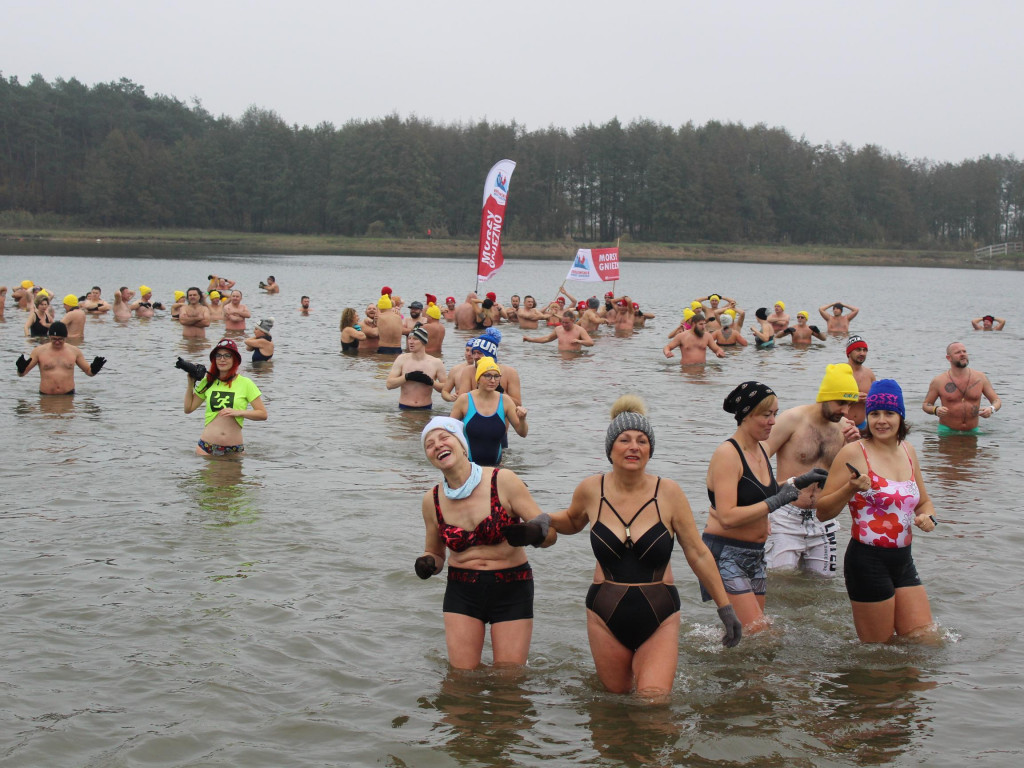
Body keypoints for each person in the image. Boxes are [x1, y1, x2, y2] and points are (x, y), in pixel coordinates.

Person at [548, 396, 742, 698]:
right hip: (604, 613)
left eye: (642, 440)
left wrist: (725, 607)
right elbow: (571, 521)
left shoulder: (669, 493)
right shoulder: (591, 489)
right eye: (624, 440)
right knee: (615, 705)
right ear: (610, 449)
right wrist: (541, 519)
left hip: (659, 612)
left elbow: (698, 552)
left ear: (650, 449)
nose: (634, 447)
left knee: (654, 702)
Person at [415, 416, 556, 670]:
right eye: (429, 444)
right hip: (462, 591)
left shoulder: (503, 480)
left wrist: (534, 534)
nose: (437, 445)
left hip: (512, 587)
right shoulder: (432, 500)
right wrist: (427, 563)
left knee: (509, 680)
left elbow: (551, 535)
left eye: (444, 437)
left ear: (460, 443)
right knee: (460, 679)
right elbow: (435, 554)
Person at [816, 380, 938, 643]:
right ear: (867, 417)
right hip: (867, 562)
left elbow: (924, 502)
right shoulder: (854, 452)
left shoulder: (909, 452)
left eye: (889, 413)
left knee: (926, 641)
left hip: (903, 561)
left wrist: (928, 518)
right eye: (874, 414)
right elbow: (823, 511)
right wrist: (850, 489)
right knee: (879, 653)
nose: (881, 421)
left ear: (901, 416)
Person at [703, 382, 826, 630]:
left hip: (755, 555)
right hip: (727, 554)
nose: (773, 422)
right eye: (766, 415)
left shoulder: (760, 448)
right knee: (759, 632)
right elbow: (727, 516)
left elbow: (759, 493)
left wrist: (798, 481)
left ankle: (726, 665)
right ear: (746, 415)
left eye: (775, 414)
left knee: (751, 637)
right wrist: (776, 502)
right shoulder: (728, 454)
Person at [762, 364, 861, 578]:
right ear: (825, 396)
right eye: (841, 403)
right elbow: (756, 461)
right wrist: (761, 512)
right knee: (779, 583)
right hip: (785, 516)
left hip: (823, 519)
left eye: (850, 404)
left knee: (822, 586)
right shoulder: (792, 419)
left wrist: (853, 448)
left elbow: (843, 475)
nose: (846, 411)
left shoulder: (845, 428)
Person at [181, 338, 266, 456]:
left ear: (235, 359)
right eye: (218, 355)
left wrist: (238, 412)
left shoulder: (246, 383)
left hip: (234, 449)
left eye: (227, 355)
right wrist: (191, 383)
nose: (222, 359)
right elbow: (188, 409)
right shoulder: (208, 381)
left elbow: (262, 414)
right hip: (206, 448)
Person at [450, 357, 528, 466]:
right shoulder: (464, 400)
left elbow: (522, 433)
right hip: (467, 467)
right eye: (487, 376)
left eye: (496, 376)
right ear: (478, 378)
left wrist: (522, 419)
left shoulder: (505, 401)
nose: (492, 380)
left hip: (495, 467)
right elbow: (448, 430)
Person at [922, 342, 1002, 434]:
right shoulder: (939, 381)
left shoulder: (980, 378)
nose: (963, 354)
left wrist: (991, 409)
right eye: (958, 352)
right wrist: (935, 410)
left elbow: (996, 400)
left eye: (964, 351)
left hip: (972, 431)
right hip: (946, 431)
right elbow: (926, 404)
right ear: (949, 358)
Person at [16, 322, 106, 395]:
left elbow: (88, 372)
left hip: (68, 396)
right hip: (46, 397)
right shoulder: (38, 351)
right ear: (49, 337)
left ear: (65, 338)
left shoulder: (74, 351)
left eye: (60, 339)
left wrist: (94, 369)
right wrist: (20, 369)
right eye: (54, 339)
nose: (57, 342)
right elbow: (22, 374)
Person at [384, 327, 447, 409]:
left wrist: (431, 382)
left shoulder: (436, 362)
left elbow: (445, 389)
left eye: (415, 339)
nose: (411, 342)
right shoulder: (401, 359)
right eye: (409, 338)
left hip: (426, 409)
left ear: (424, 342)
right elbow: (389, 385)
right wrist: (407, 377)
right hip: (404, 408)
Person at [845, 336, 876, 430]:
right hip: (841, 425)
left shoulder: (869, 374)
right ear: (849, 352)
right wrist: (853, 398)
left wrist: (869, 399)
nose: (862, 353)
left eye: (865, 350)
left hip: (862, 425)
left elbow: (876, 401)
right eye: (858, 350)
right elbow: (829, 401)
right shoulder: (839, 372)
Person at [523, 311, 594, 350]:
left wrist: (579, 341)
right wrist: (530, 340)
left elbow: (591, 343)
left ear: (573, 320)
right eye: (563, 322)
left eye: (567, 323)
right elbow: (547, 339)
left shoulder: (579, 330)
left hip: (574, 360)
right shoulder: (558, 329)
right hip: (560, 358)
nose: (564, 325)